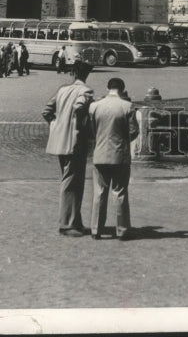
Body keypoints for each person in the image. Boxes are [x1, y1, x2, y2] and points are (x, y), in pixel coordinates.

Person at [42, 60, 95, 237]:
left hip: (59, 141)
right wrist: (82, 125)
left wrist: (55, 125)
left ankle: (75, 221)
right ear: (86, 74)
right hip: (74, 142)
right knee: (72, 183)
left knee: (70, 181)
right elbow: (79, 107)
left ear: (73, 73)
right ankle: (67, 224)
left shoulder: (62, 90)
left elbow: (46, 111)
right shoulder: (86, 91)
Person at [88, 77, 139, 240]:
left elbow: (92, 131)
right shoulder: (127, 106)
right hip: (120, 156)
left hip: (100, 154)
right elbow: (133, 131)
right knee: (120, 192)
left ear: (108, 88)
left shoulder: (95, 106)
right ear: (122, 90)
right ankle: (122, 230)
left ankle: (96, 230)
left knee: (99, 193)